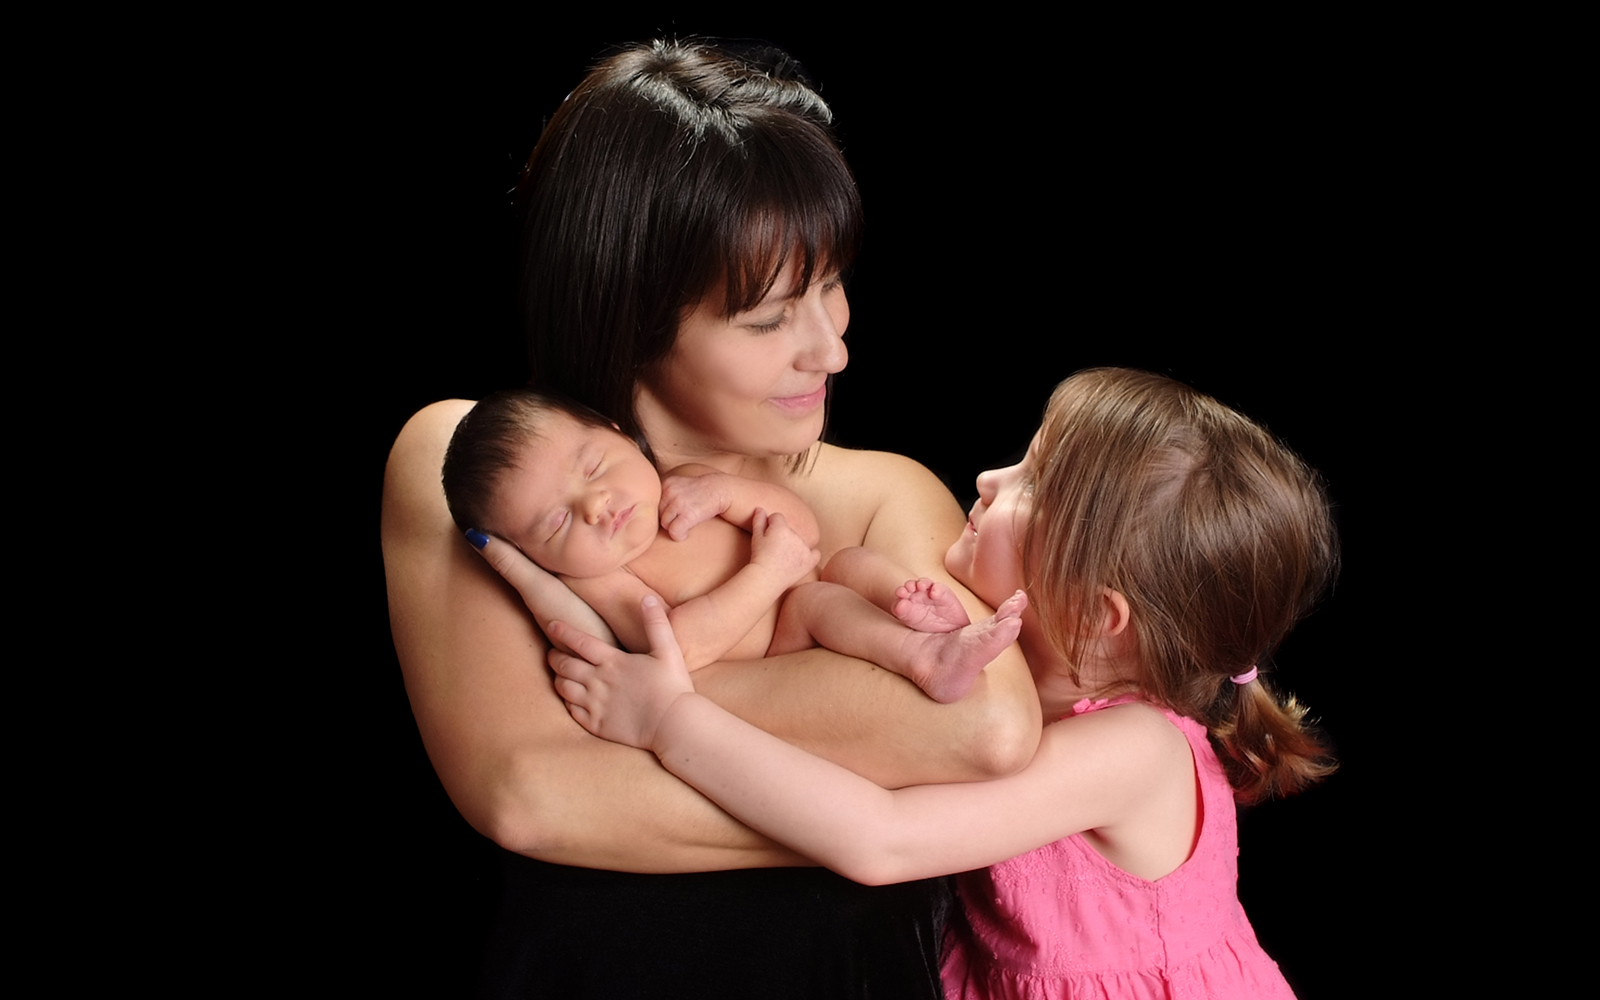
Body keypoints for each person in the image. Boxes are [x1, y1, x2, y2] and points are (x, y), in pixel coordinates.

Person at [380, 39, 1040, 998]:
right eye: (769, 318)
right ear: (628, 313)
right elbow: (529, 794)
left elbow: (982, 731)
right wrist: (864, 808)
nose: (831, 351)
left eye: (830, 286)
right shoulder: (479, 468)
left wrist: (629, 712)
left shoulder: (881, 490)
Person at [546, 368, 1338, 999]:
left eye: (1032, 484)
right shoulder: (1002, 658)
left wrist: (667, 722)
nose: (991, 476)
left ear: (1099, 616)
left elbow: (882, 838)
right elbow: (825, 598)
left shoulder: (1138, 752)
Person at [442, 387, 1028, 699]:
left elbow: (805, 531)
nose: (596, 507)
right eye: (556, 525)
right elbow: (677, 649)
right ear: (531, 557)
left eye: (595, 467)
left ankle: (926, 614)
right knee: (814, 600)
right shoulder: (600, 580)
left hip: (812, 586)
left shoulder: (692, 484)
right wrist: (766, 576)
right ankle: (926, 659)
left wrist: (729, 494)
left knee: (849, 563)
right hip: (780, 651)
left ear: (619, 434)